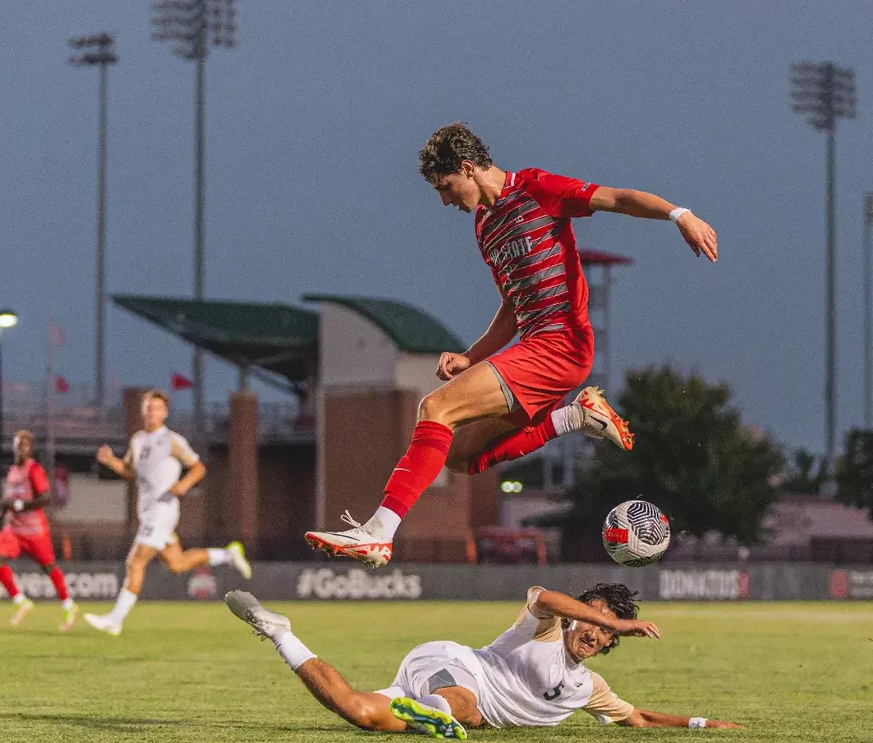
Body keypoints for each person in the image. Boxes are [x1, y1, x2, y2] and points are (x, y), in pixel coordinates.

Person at [305, 123, 720, 569]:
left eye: (446, 188)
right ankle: (575, 416)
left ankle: (378, 533)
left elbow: (616, 198)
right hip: (540, 351)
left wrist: (681, 215)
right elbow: (511, 308)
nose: (445, 201)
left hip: (560, 345)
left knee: (435, 408)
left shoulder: (537, 189)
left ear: (467, 168)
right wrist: (470, 357)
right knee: (461, 456)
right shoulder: (485, 228)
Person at [225, 585, 741, 739]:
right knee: (468, 709)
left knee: (356, 711)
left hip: (442, 693)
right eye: (592, 620)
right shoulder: (544, 627)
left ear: (607, 647)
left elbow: (640, 718)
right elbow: (544, 596)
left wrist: (702, 722)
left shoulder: (590, 689)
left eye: (605, 631)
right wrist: (621, 621)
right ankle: (435, 714)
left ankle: (280, 634)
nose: (594, 632)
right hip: (452, 664)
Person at [86, 389, 252, 636]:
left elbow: (198, 467)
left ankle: (115, 619)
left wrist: (183, 485)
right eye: (148, 408)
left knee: (136, 561)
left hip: (163, 510)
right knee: (177, 563)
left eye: (156, 408)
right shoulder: (138, 440)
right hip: (148, 511)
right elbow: (131, 471)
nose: (151, 412)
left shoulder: (171, 440)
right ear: (143, 411)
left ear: (165, 413)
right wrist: (111, 461)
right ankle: (228, 554)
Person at [0, 430, 77, 630]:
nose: (19, 449)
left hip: (34, 530)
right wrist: (3, 511)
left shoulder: (34, 470)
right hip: (13, 529)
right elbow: (12, 498)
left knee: (49, 567)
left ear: (30, 449)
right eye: (16, 445)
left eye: (23, 445)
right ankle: (21, 602)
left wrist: (18, 505)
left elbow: (45, 498)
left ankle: (68, 604)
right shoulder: (12, 470)